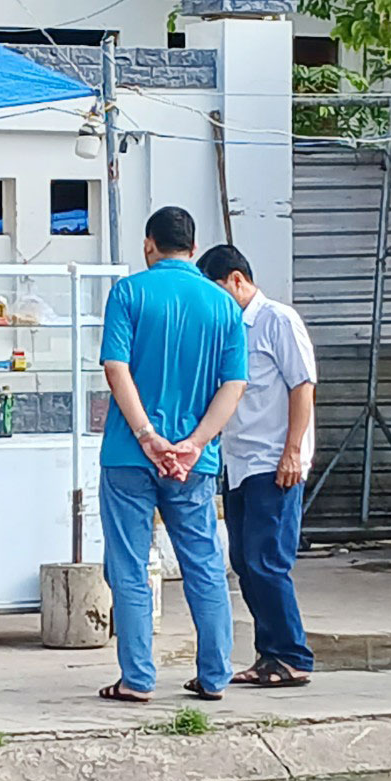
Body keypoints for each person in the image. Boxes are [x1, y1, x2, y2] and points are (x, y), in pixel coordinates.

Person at [95, 207, 249, 704]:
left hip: (128, 455)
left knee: (129, 565)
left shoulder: (129, 293)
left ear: (149, 243)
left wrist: (147, 436)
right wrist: (196, 442)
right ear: (192, 245)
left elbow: (116, 369)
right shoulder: (223, 305)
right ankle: (214, 675)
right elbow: (234, 384)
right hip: (193, 463)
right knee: (203, 564)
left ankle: (137, 678)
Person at [197, 243, 319, 689]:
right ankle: (270, 653)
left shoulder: (277, 320)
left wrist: (292, 451)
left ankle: (292, 655)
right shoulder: (229, 329)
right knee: (244, 562)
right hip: (239, 461)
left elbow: (302, 386)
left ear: (236, 280)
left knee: (267, 561)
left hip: (274, 461)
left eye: (217, 290)